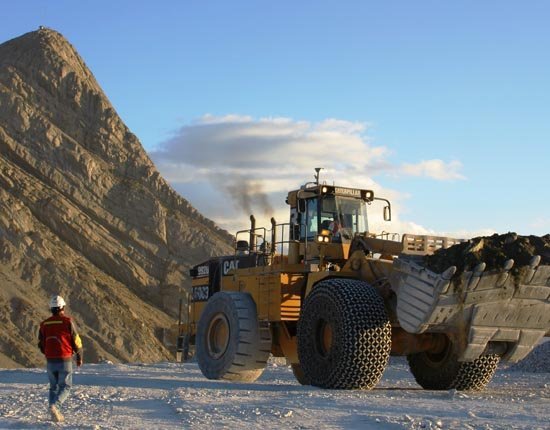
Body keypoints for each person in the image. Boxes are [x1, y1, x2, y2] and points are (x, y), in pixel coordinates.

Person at [38, 295, 83, 423]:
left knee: (53, 387)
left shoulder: (44, 324)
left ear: (51, 309)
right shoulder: (68, 322)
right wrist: (79, 356)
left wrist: (47, 353)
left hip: (50, 360)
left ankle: (53, 411)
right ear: (62, 307)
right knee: (66, 386)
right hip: (65, 359)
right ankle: (55, 406)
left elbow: (41, 343)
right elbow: (76, 341)